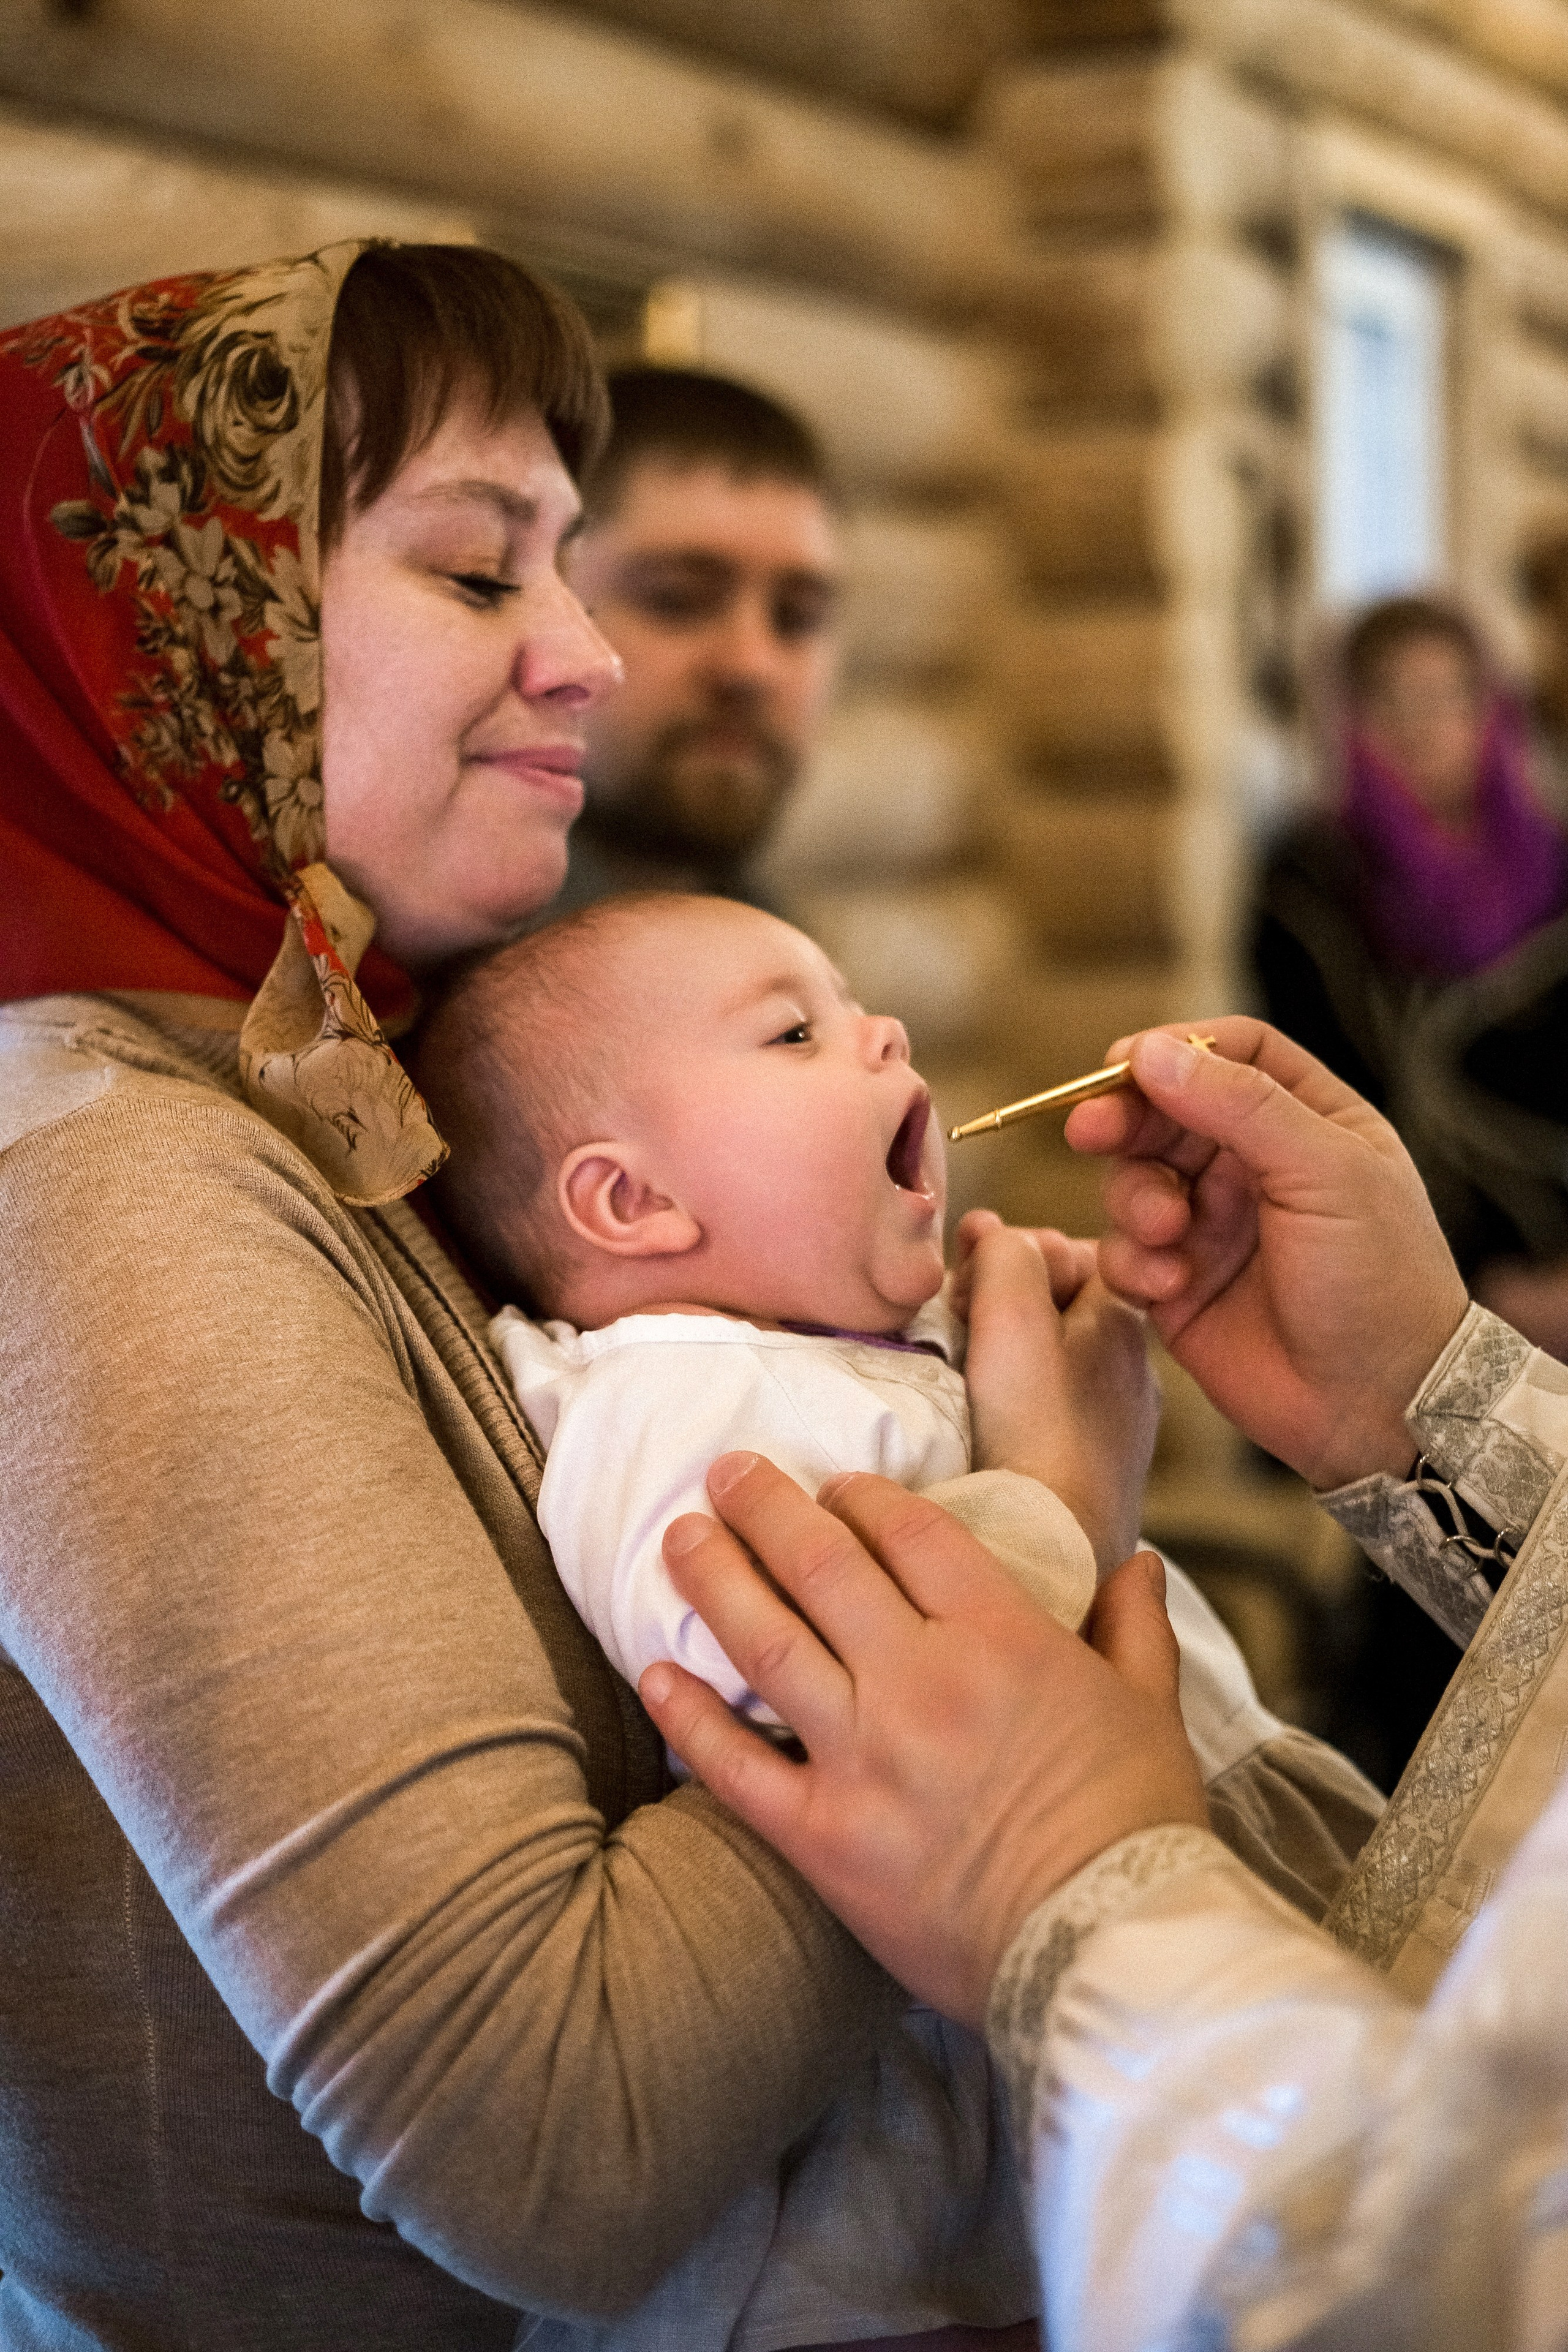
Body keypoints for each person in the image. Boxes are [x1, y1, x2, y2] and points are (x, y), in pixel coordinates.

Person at [0, 238, 1028, 2351]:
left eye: (568, 572)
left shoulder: (309, 1081)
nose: (590, 658)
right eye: (479, 577)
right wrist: (1022, 1555)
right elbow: (549, 2140)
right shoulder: (107, 1180)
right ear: (171, 632)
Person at [636, 1016, 1568, 2349]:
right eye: (788, 1029)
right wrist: (1416, 1397)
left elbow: (1442, 2284)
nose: (881, 1028)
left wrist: (1073, 1875)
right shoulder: (659, 1424)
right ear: (627, 1200)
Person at [549, 366, 842, 916]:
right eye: (677, 601)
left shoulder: (772, 938)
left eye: (797, 618)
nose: (750, 666)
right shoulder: (436, 983)